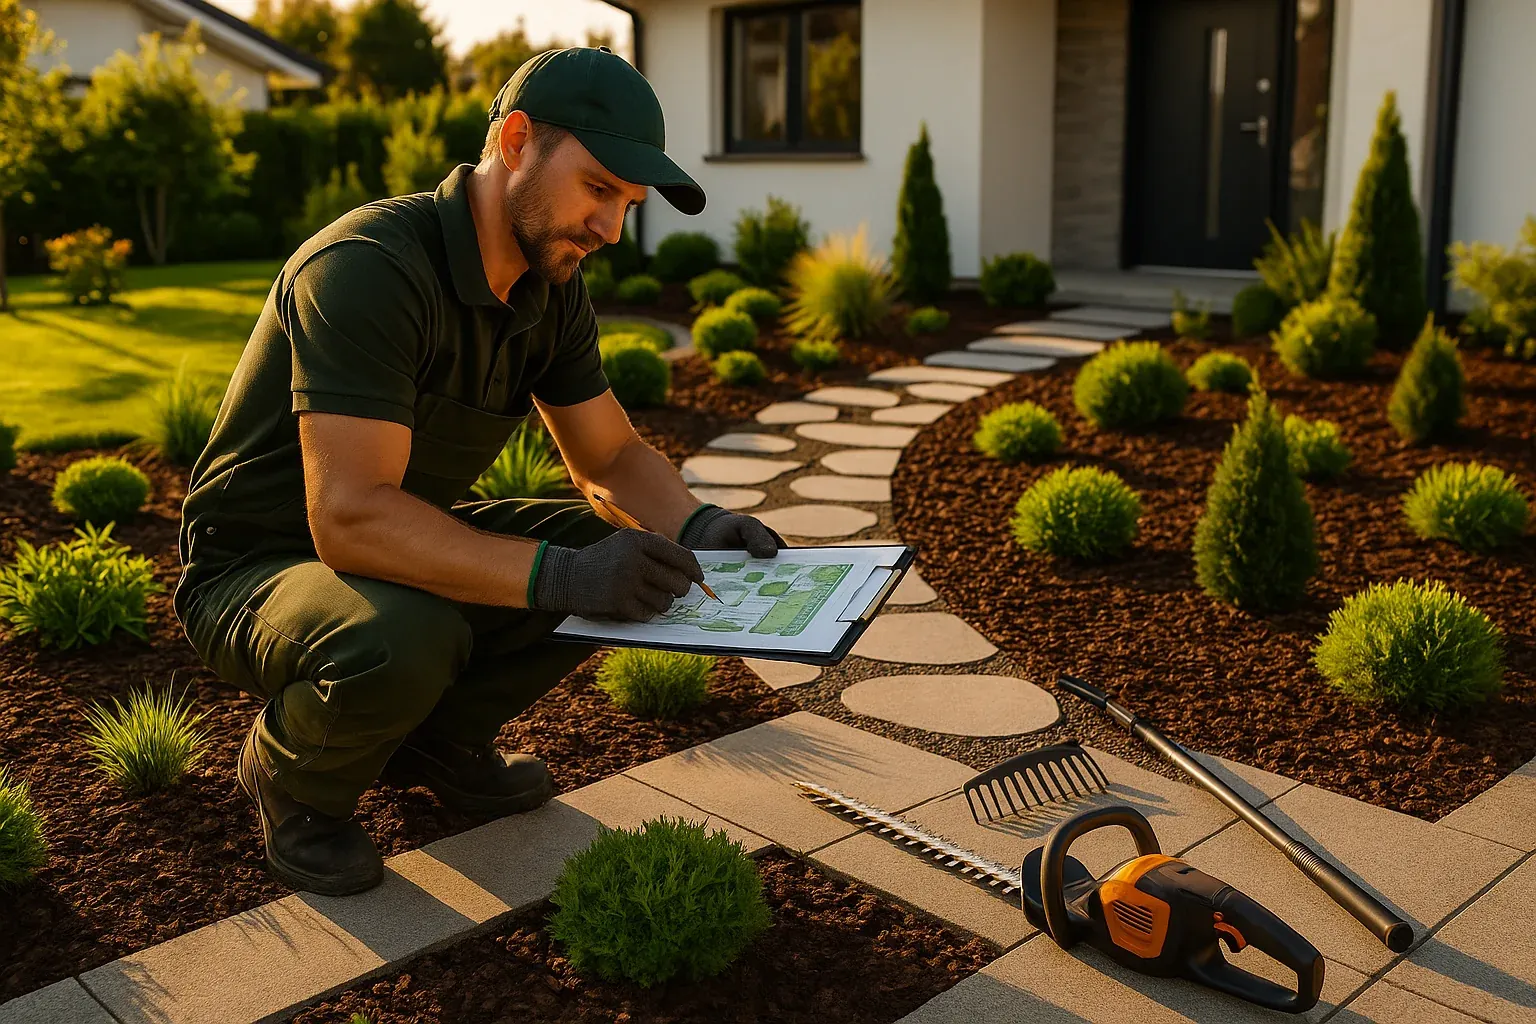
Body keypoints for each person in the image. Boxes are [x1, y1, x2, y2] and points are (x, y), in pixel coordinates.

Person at [174, 46, 784, 897]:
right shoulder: (366, 269)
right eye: (599, 189)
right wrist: (566, 577)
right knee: (416, 631)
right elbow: (347, 516)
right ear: (517, 141)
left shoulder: (550, 286)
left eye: (628, 204)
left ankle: (437, 744)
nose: (612, 229)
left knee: (610, 547)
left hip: (389, 550)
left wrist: (698, 525)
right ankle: (296, 782)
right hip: (262, 569)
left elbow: (606, 456)